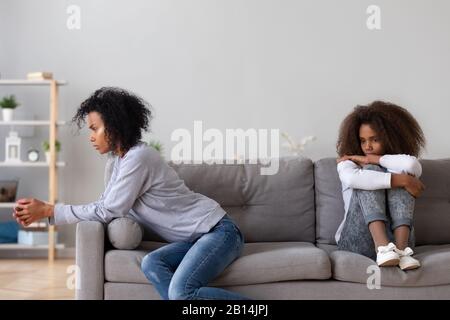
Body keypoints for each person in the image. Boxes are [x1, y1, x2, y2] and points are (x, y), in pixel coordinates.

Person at [13, 87, 247, 300]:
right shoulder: (118, 161)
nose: (91, 136)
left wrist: (50, 210)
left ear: (114, 127)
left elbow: (109, 210)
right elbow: (105, 203)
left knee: (181, 293)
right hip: (196, 239)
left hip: (219, 232)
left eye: (95, 128)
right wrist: (47, 210)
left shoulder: (139, 158)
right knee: (152, 263)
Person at [335, 100, 426, 270]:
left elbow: (412, 166)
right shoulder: (348, 162)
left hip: (401, 245)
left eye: (374, 139)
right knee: (372, 172)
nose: (367, 146)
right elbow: (352, 179)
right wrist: (405, 181)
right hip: (356, 241)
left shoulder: (395, 163)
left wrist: (373, 159)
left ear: (390, 137)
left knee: (402, 173)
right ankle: (382, 247)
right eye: (362, 141)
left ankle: (401, 252)